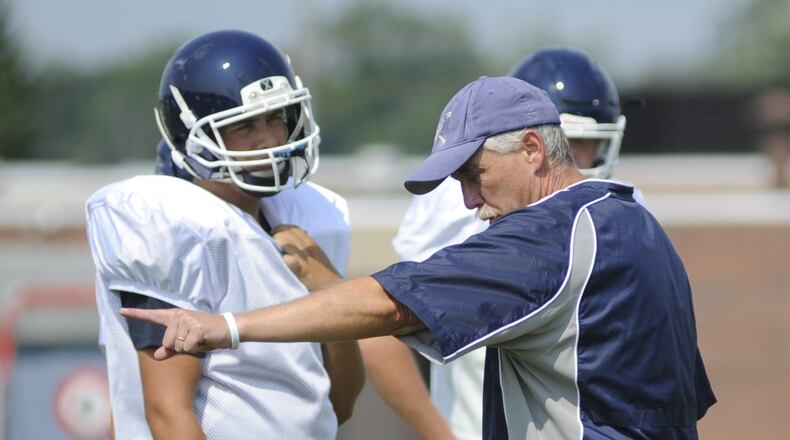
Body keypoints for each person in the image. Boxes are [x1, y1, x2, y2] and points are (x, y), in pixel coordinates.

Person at [122, 75, 716, 439]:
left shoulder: (549, 234)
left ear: (533, 148)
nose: (470, 200)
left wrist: (226, 327)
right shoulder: (636, 220)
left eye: (474, 174)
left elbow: (388, 308)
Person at [85, 30, 364, 439]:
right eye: (245, 126)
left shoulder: (308, 221)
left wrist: (331, 292)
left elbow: (340, 401)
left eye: (275, 119)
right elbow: (166, 413)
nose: (269, 140)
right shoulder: (173, 225)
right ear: (192, 136)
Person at [370, 47, 633, 440]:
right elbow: (385, 326)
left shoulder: (619, 213)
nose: (569, 159)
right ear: (532, 145)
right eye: (560, 140)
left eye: (581, 143)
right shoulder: (467, 199)